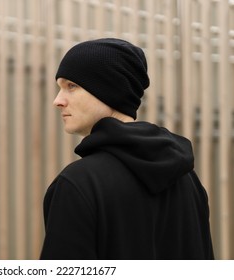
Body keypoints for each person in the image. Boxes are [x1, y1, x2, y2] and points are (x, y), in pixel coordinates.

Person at [40, 38, 214, 260]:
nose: (58, 100)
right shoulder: (187, 178)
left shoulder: (78, 183)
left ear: (108, 88)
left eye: (71, 86)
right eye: (59, 88)